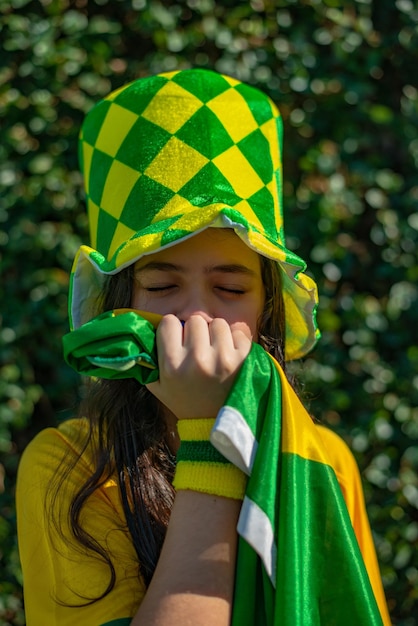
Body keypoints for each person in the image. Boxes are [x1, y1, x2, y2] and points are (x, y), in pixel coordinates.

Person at [16, 68, 391, 625]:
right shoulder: (70, 467)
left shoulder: (323, 458)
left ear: (266, 306)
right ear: (120, 303)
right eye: (162, 286)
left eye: (231, 288)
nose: (195, 316)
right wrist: (210, 436)